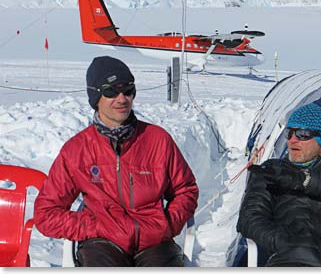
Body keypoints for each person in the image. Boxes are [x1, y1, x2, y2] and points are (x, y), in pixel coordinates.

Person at [34, 56, 199, 267]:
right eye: (111, 91)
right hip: (103, 243)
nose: (122, 99)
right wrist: (94, 226)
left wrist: (167, 224)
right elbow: (46, 214)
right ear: (96, 97)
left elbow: (186, 190)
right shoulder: (77, 149)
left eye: (128, 90)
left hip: (154, 242)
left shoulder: (157, 140)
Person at [236, 103, 321, 267]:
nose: (293, 140)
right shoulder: (272, 171)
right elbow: (250, 218)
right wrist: (284, 243)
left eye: (302, 134)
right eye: (289, 133)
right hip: (293, 261)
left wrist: (304, 180)